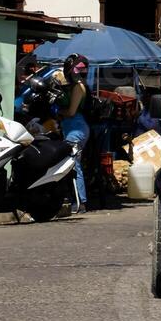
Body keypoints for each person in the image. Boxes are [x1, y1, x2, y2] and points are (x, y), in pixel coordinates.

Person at [59, 54, 91, 215]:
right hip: (72, 128)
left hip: (76, 128)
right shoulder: (74, 86)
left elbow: (71, 112)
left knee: (74, 164)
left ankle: (80, 202)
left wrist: (59, 112)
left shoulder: (78, 87)